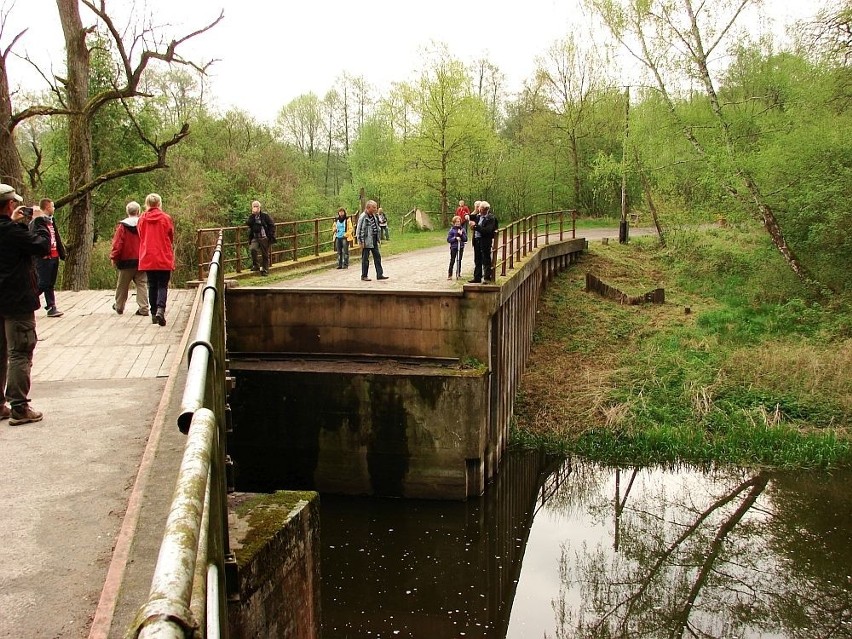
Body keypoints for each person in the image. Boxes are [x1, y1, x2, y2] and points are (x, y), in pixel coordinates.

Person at [0, 184, 51, 425]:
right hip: (17, 301)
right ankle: (19, 406)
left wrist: (15, 222)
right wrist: (40, 221)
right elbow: (41, 246)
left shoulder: (11, 230)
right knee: (20, 351)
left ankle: (1, 405)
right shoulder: (12, 232)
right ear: (10, 204)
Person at [138, 193, 174, 327]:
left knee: (151, 285)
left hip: (148, 256)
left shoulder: (142, 219)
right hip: (163, 255)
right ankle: (160, 309)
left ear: (147, 204)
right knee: (162, 285)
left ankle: (153, 313)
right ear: (159, 204)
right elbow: (170, 235)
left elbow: (140, 234)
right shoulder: (166, 218)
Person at [109, 201, 149, 316]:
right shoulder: (143, 225)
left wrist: (114, 257)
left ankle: (119, 306)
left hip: (125, 260)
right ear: (138, 211)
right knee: (142, 284)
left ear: (127, 212)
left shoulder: (122, 226)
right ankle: (144, 308)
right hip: (141, 259)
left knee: (122, 285)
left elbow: (118, 244)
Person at [30, 198, 66, 318]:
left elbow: (56, 237)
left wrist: (62, 253)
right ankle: (28, 300)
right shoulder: (37, 222)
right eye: (52, 206)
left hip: (54, 256)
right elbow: (35, 239)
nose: (54, 208)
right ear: (47, 207)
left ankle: (52, 307)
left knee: (50, 283)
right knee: (42, 283)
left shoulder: (51, 221)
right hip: (43, 258)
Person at [355, 200, 388, 281]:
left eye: (375, 207)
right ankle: (364, 275)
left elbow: (376, 227)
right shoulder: (363, 216)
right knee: (365, 259)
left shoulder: (374, 216)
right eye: (374, 207)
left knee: (377, 257)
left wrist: (378, 238)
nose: (375, 209)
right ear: (368, 207)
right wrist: (361, 241)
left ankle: (380, 274)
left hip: (373, 239)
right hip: (366, 240)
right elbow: (359, 230)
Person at [469, 201, 498, 283]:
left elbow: (487, 231)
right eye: (480, 209)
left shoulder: (490, 218)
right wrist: (475, 210)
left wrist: (475, 226)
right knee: (477, 259)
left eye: (482, 209)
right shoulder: (478, 217)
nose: (481, 211)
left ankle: (487, 277)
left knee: (486, 259)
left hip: (485, 241)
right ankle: (477, 277)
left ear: (486, 210)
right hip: (477, 240)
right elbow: (469, 217)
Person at [246, 200, 275, 276]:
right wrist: (253, 215)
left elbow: (272, 225)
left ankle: (265, 269)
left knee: (264, 254)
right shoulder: (252, 217)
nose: (255, 208)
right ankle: (256, 265)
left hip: (264, 237)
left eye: (257, 206)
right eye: (254, 206)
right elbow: (248, 223)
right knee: (253, 249)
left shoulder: (265, 216)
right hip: (255, 237)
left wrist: (270, 235)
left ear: (259, 207)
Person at [447, 215, 467, 280]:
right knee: (452, 260)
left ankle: (458, 273)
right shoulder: (452, 230)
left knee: (459, 260)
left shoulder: (462, 230)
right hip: (454, 247)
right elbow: (449, 240)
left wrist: (461, 235)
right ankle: (450, 275)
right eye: (456, 222)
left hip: (460, 247)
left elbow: (465, 239)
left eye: (459, 221)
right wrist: (455, 238)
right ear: (454, 222)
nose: (458, 223)